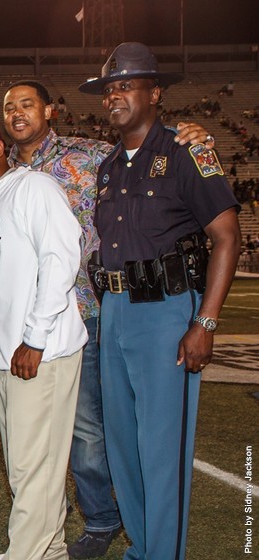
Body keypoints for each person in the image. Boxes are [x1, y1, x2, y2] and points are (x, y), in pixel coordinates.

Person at [1, 79, 216, 559]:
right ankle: (109, 526)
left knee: (92, 430)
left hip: (94, 310)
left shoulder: (90, 155)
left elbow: (154, 158)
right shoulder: (1, 170)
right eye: (9, 106)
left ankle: (102, 520)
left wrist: (197, 140)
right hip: (35, 321)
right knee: (84, 431)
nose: (17, 113)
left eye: (28, 104)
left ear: (50, 110)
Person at [79, 42, 240, 560]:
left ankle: (163, 554)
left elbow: (227, 236)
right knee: (123, 446)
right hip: (115, 312)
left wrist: (206, 323)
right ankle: (142, 546)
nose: (115, 96)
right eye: (109, 88)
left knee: (161, 450)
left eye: (126, 85)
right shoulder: (107, 167)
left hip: (168, 313)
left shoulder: (188, 151)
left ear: (156, 93)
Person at [0, 117, 88, 560]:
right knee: (27, 466)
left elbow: (61, 257)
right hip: (11, 355)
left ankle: (27, 553)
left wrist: (36, 337)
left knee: (33, 467)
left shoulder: (34, 188)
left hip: (39, 352)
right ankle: (50, 550)